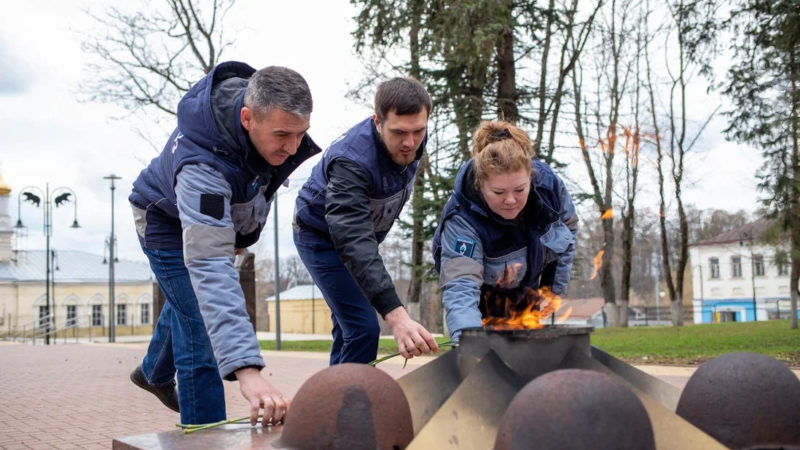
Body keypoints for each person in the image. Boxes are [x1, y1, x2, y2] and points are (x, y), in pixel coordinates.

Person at [128, 61, 320, 426]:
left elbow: (258, 186)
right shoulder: (203, 167)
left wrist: (242, 236)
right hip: (162, 222)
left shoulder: (268, 128)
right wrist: (246, 369)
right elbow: (209, 266)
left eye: (301, 134)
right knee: (198, 326)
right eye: (283, 135)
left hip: (213, 218)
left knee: (188, 299)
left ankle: (152, 371)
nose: (294, 147)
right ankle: (203, 434)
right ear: (247, 118)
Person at [293, 77, 439, 364]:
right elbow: (352, 237)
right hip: (320, 238)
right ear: (377, 121)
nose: (409, 143)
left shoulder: (411, 140)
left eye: (418, 131)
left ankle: (331, 404)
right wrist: (396, 315)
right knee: (363, 328)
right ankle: (349, 406)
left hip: (361, 238)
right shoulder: (352, 162)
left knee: (349, 329)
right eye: (398, 132)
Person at [432, 120, 578, 341]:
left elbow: (568, 228)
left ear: (531, 177)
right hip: (481, 303)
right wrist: (469, 344)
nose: (511, 200)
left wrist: (553, 288)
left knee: (523, 363)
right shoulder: (462, 220)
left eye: (520, 190)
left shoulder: (550, 190)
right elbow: (461, 287)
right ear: (479, 183)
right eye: (499, 192)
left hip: (527, 293)